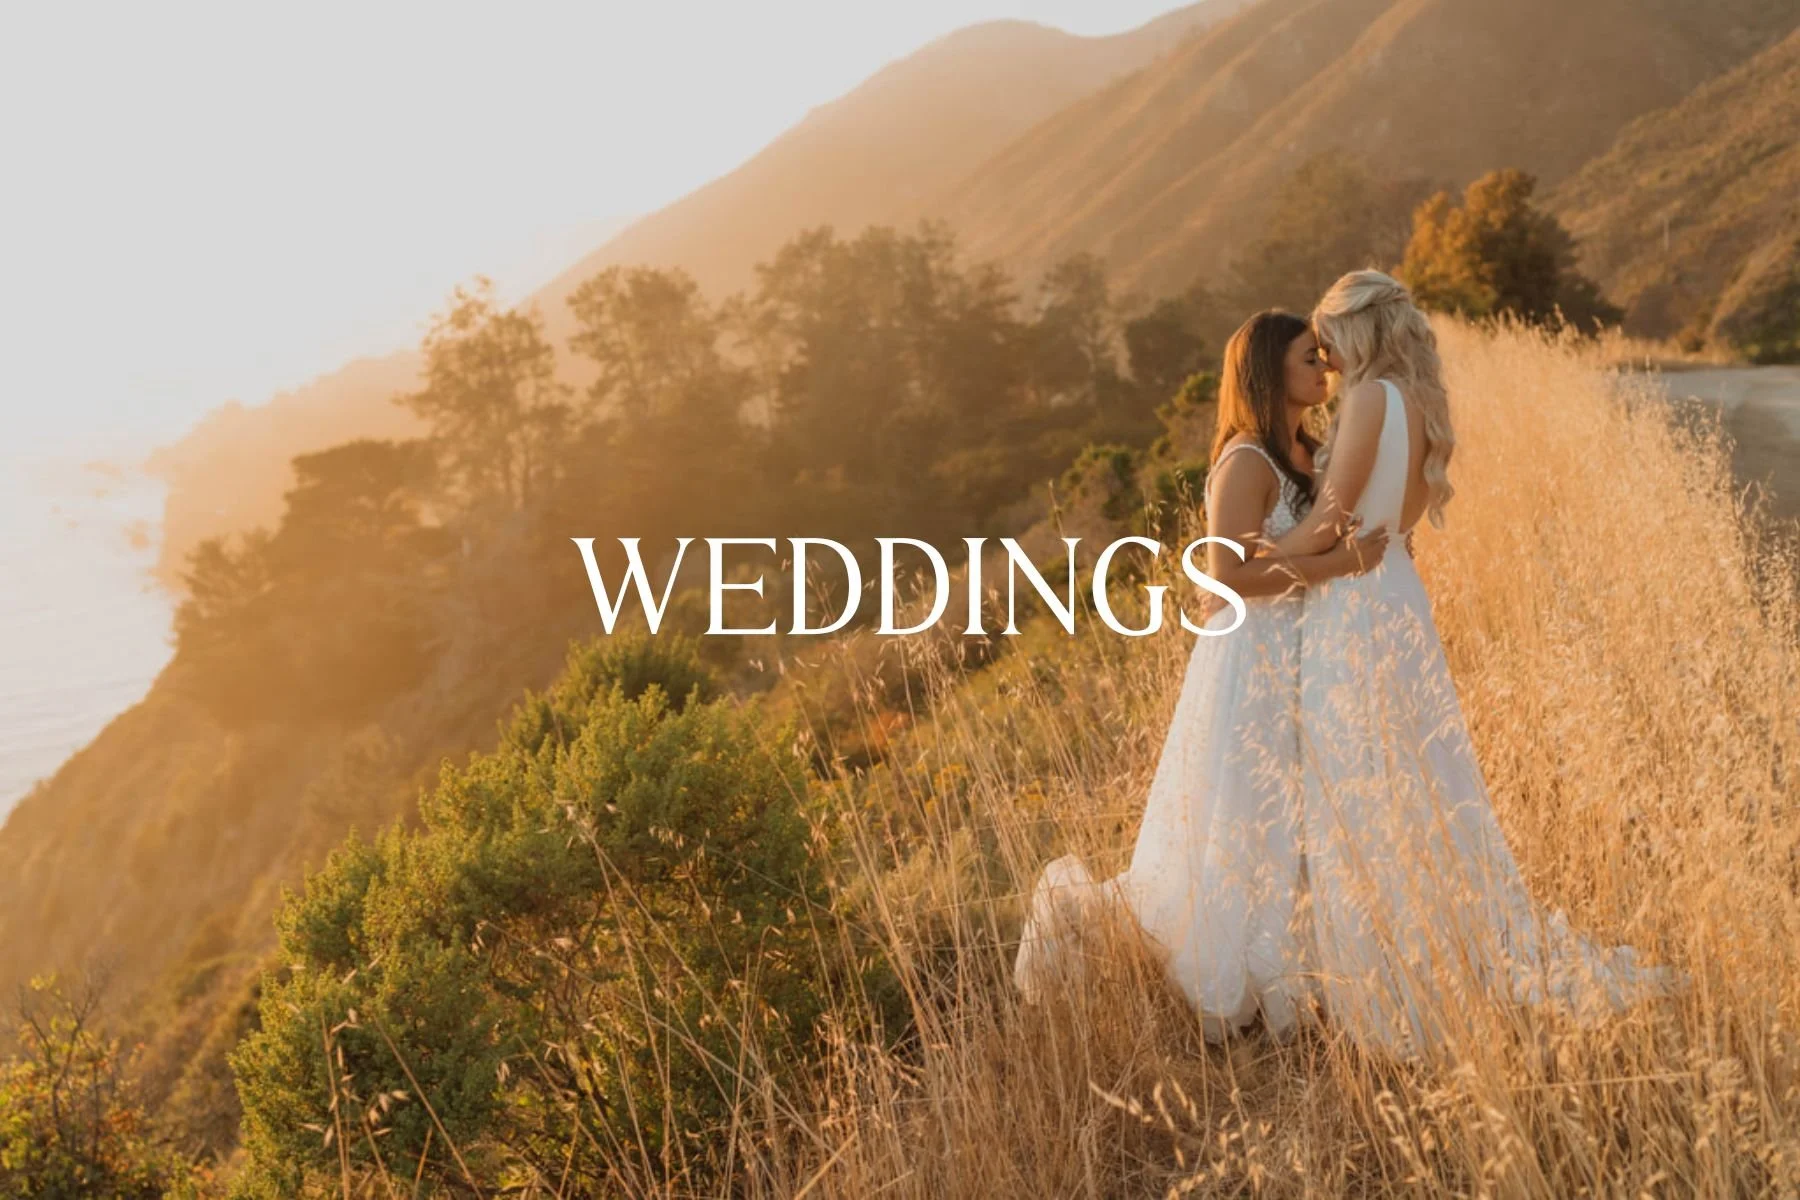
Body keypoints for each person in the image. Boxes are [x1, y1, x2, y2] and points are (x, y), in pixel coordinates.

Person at [1276, 269, 1680, 1054]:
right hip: (1396, 590)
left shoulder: (1369, 399)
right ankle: (1434, 942)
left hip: (1354, 606)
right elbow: (1393, 526)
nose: (1325, 359)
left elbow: (1329, 524)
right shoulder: (1415, 399)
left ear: (1356, 330)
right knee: (1416, 777)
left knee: (1362, 777)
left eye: (1328, 340)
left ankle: (1389, 974)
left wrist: (1251, 560)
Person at [1013, 310, 1387, 1040]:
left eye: (1323, 356)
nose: (1324, 368)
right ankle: (1234, 967)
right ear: (1268, 372)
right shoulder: (1244, 460)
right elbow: (1225, 578)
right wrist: (1341, 563)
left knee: (1299, 808)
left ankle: (1304, 960)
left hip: (1306, 646)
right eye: (1308, 358)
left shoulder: (1310, 450)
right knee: (1247, 808)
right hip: (1252, 654)